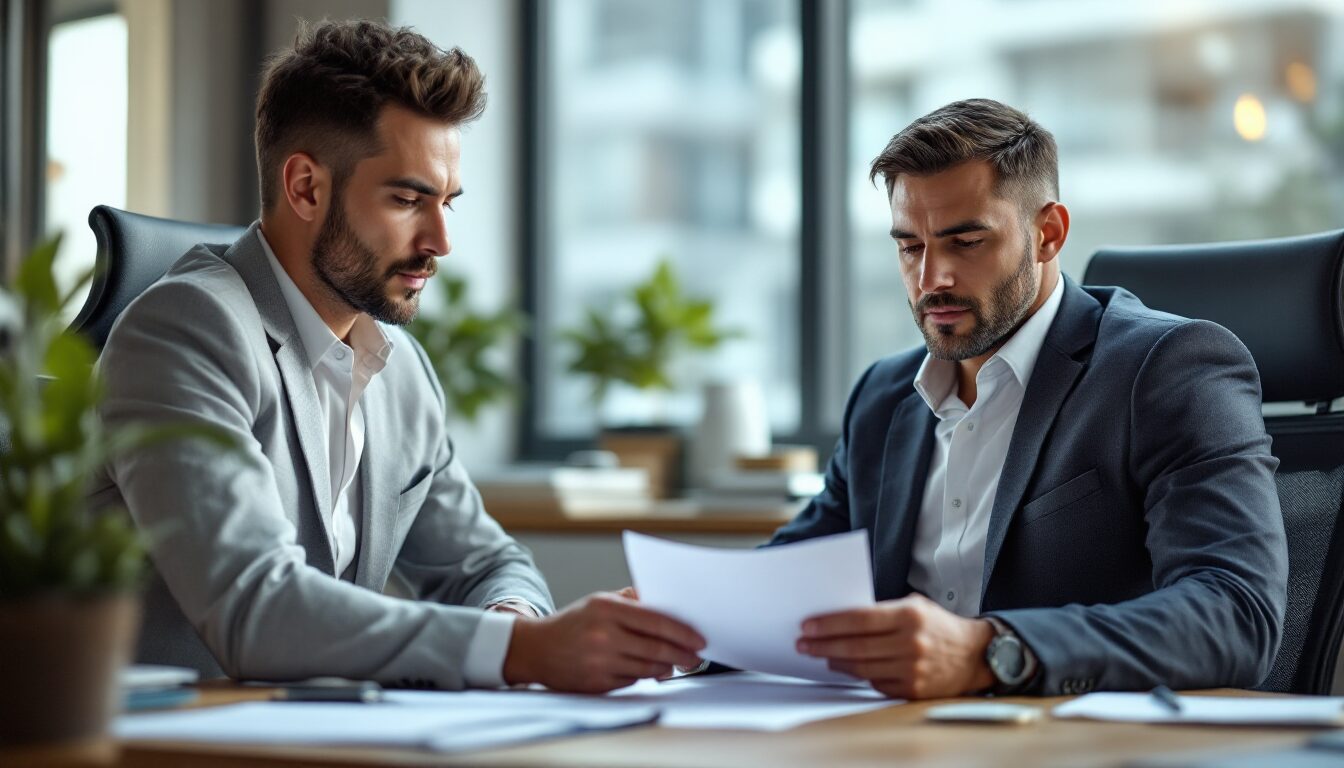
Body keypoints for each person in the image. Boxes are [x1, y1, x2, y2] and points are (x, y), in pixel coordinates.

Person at [90, 19, 703, 693]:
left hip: (329, 740)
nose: (440, 239)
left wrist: (513, 617)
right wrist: (519, 651)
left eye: (448, 203)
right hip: (171, 746)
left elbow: (486, 564)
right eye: (409, 199)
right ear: (305, 188)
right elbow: (254, 606)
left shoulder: (400, 369)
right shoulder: (187, 331)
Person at [770, 98, 1287, 698]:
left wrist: (991, 652)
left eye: (964, 242)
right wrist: (671, 626)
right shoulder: (882, 398)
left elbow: (1236, 614)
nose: (930, 279)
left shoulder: (1168, 370)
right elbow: (792, 578)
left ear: (1048, 234)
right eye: (910, 246)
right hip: (896, 740)